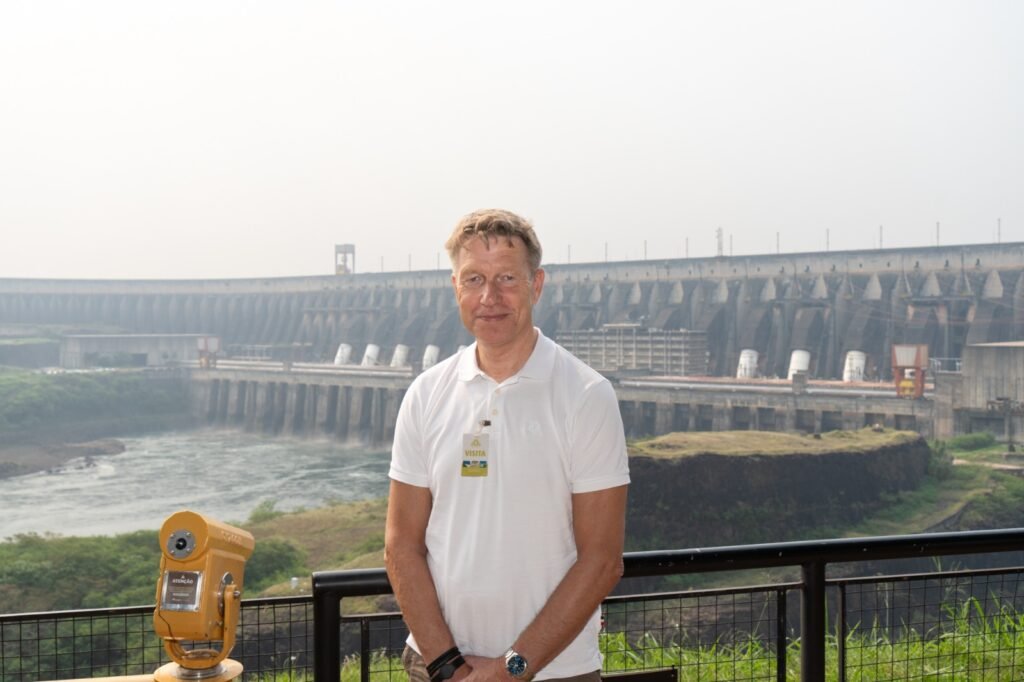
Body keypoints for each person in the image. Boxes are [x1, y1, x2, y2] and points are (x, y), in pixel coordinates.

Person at [385, 209, 630, 682]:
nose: (489, 297)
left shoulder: (584, 395)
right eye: (474, 278)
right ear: (455, 286)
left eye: (507, 279)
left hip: (553, 673)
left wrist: (511, 668)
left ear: (536, 285)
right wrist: (446, 665)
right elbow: (400, 545)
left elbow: (602, 559)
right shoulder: (427, 394)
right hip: (437, 669)